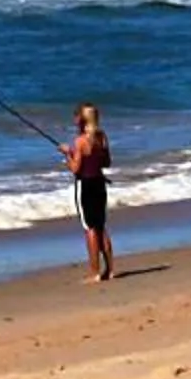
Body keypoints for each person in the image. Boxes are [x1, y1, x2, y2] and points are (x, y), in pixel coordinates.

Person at [62, 102, 115, 281]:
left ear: (81, 119)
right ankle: (110, 270)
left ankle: (95, 272)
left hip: (85, 185)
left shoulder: (80, 141)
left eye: (76, 116)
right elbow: (106, 162)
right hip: (99, 184)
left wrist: (67, 154)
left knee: (90, 228)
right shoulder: (101, 137)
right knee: (100, 226)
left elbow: (75, 169)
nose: (74, 119)